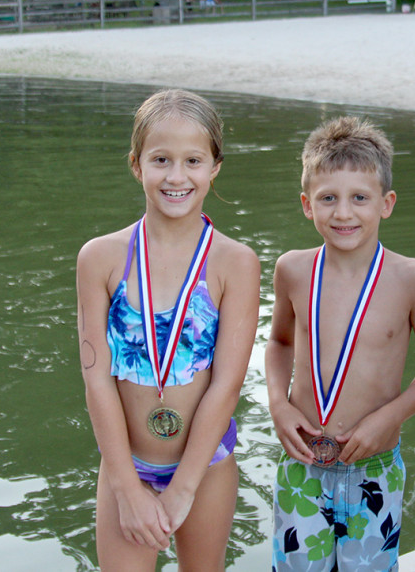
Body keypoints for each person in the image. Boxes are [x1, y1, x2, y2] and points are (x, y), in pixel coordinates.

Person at [76, 88, 260, 571]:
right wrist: (125, 489)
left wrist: (183, 488)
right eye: (161, 159)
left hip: (205, 469)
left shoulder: (234, 263)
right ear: (136, 164)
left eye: (193, 160)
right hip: (124, 466)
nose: (176, 177)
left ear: (215, 166)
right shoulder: (101, 258)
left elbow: (227, 384)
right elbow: (97, 380)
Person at [266, 116, 415, 571]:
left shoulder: (411, 278)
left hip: (376, 467)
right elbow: (278, 343)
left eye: (359, 199)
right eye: (328, 198)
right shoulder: (292, 269)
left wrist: (388, 417)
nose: (343, 213)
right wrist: (278, 404)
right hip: (303, 465)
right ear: (307, 204)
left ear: (386, 204)